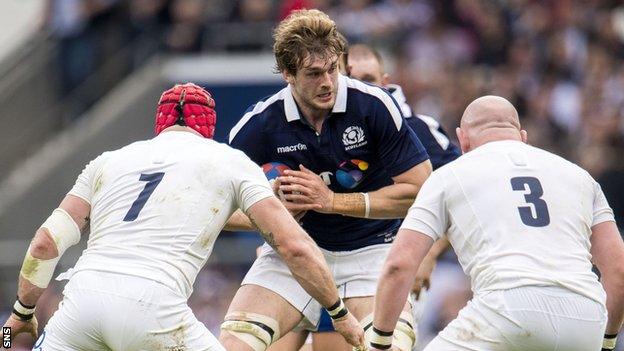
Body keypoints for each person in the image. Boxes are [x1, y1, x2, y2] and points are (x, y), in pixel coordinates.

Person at [1, 83, 364, 350]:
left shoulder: (107, 161)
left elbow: (47, 241)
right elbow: (294, 246)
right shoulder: (228, 161)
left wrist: (20, 313)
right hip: (154, 311)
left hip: (81, 308)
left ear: (160, 124)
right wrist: (340, 314)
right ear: (208, 128)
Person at [223, 9, 433, 351]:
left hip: (372, 252)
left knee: (392, 348)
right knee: (234, 344)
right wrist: (271, 213)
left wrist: (332, 201)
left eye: (333, 69)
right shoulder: (258, 127)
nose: (327, 82)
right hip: (295, 257)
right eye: (314, 73)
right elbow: (220, 211)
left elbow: (420, 189)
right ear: (288, 74)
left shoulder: (374, 106)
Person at [370, 95, 624, 351]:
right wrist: (606, 341)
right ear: (522, 136)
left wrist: (380, 341)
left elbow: (399, 264)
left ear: (463, 139)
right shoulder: (581, 177)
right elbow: (619, 271)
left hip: (507, 310)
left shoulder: (448, 175)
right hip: (585, 318)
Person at [278, 43, 462, 351]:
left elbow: (458, 195)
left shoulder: (417, 129)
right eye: (354, 77)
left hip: (388, 261)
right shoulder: (321, 129)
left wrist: (427, 255)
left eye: (370, 78)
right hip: (324, 258)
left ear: (386, 81)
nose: (362, 86)